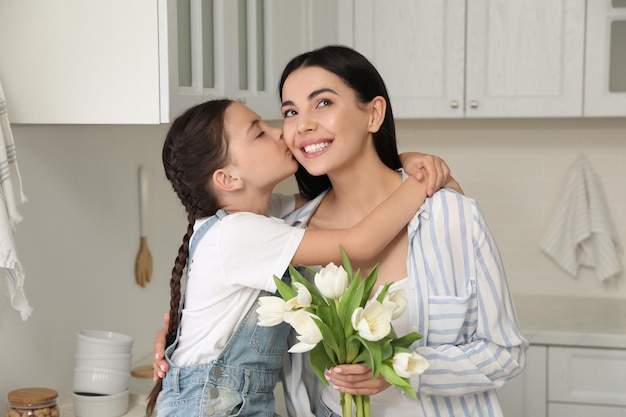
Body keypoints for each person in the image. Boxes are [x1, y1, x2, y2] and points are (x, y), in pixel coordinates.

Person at [154, 44, 525, 417]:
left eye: (324, 103)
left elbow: (505, 354)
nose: (297, 128)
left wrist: (402, 369)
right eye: (289, 112)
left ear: (374, 113)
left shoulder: (449, 216)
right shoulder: (287, 227)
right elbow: (359, 242)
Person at [145, 98, 455, 417]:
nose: (280, 132)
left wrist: (401, 163)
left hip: (229, 401)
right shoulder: (238, 233)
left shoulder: (262, 215)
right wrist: (421, 180)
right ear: (228, 179)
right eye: (259, 133)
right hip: (209, 406)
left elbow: (348, 191)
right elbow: (360, 242)